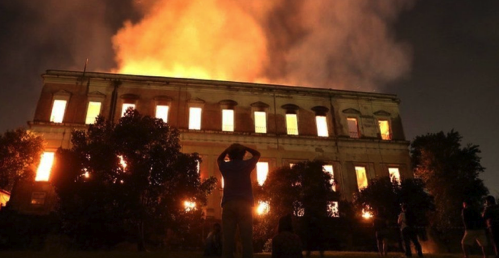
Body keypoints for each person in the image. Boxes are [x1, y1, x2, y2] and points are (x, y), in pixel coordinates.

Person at [218, 143, 260, 258]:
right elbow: (257, 154)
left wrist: (228, 148)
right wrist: (244, 147)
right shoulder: (246, 165)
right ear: (242, 154)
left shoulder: (225, 167)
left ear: (230, 155)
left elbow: (219, 159)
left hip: (229, 203)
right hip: (244, 204)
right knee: (246, 239)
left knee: (228, 240)